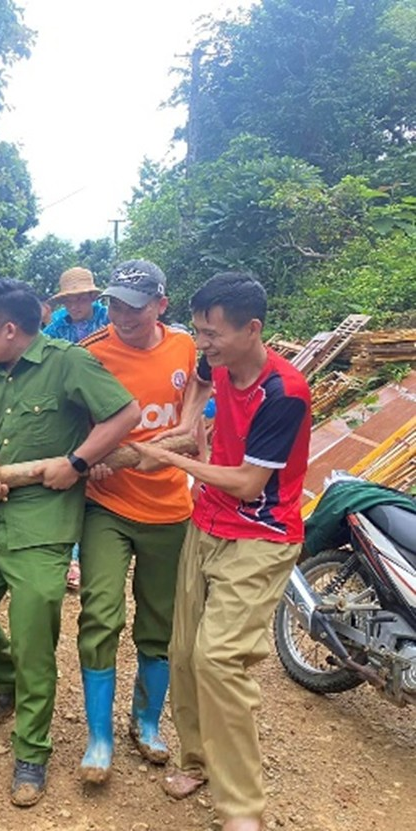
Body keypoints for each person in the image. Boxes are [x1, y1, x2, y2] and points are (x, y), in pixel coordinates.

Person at [0, 279, 138, 808]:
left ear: (10, 328)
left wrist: (76, 463)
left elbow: (126, 414)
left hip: (45, 522)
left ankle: (31, 751)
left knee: (34, 640)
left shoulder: (68, 362)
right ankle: (6, 681)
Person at [130, 273, 311, 831]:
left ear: (251, 329)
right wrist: (188, 424)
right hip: (206, 525)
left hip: (259, 537)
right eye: (199, 332)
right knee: (184, 654)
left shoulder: (284, 393)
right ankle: (196, 760)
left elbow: (248, 484)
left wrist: (174, 458)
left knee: (218, 659)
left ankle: (242, 811)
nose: (201, 346)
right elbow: (203, 388)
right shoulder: (217, 362)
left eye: (212, 334)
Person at [72, 260, 202, 785]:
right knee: (100, 613)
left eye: (135, 303)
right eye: (116, 302)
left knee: (160, 621)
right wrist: (90, 453)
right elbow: (76, 421)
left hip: (171, 509)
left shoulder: (186, 349)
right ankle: (98, 736)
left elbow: (197, 406)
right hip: (108, 504)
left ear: (161, 305)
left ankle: (145, 722)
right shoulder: (93, 352)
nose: (122, 312)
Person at [45, 268, 109, 591]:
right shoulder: (56, 328)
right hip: (72, 405)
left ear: (92, 297)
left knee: (98, 474)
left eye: (82, 297)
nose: (76, 303)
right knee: (72, 473)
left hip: (107, 402)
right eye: (70, 299)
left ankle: (93, 552)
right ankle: (70, 557)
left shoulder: (110, 321)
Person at [44, 267, 109, 343]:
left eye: (81, 299)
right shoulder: (55, 331)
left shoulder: (109, 318)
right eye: (68, 301)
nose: (73, 307)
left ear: (92, 297)